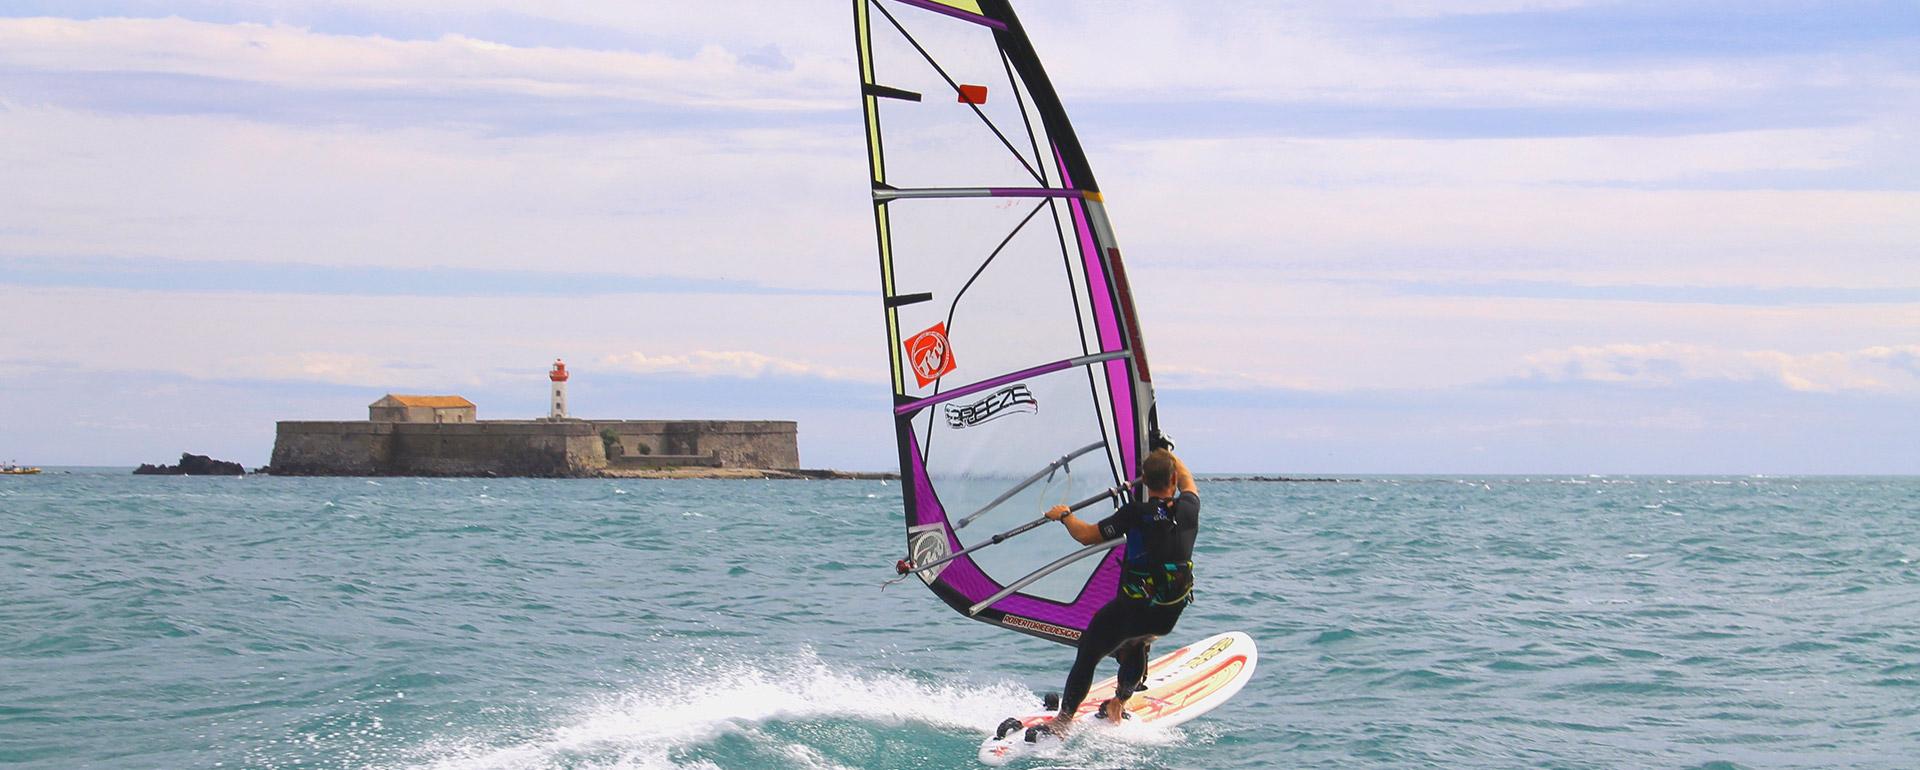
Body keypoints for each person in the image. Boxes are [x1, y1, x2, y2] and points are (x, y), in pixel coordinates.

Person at [1034, 448, 1198, 736]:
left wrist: (1065, 516)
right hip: (1168, 614)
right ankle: (1119, 702)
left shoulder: (1136, 513)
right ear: (1172, 478)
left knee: (1088, 653)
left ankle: (1063, 721)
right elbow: (1187, 481)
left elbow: (1086, 535)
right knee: (1136, 643)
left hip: (1131, 611)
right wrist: (1169, 452)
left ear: (1144, 480)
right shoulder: (1188, 509)